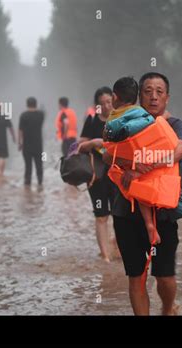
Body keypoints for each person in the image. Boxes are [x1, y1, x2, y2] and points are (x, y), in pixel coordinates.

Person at [103, 72, 182, 315]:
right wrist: (130, 163)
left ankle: (168, 309)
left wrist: (154, 161)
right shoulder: (123, 124)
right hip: (125, 211)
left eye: (159, 92)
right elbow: (108, 155)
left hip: (163, 213)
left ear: (167, 97)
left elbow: (181, 149)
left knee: (164, 276)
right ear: (139, 96)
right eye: (148, 91)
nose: (153, 96)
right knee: (136, 276)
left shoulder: (173, 125)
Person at [78, 87, 119, 263]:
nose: (106, 106)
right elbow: (80, 146)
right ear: (96, 105)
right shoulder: (91, 121)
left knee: (120, 215)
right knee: (101, 215)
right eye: (102, 103)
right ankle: (105, 256)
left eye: (109, 102)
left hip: (118, 175)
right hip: (97, 176)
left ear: (114, 101)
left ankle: (117, 247)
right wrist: (94, 143)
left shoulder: (121, 120)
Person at [18, 97, 45, 189]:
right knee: (39, 165)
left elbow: (20, 130)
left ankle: (27, 184)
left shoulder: (23, 115)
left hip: (27, 145)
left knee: (28, 166)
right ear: (36, 104)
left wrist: (20, 143)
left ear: (27, 104)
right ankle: (40, 183)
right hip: (38, 145)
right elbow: (43, 114)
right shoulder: (40, 115)